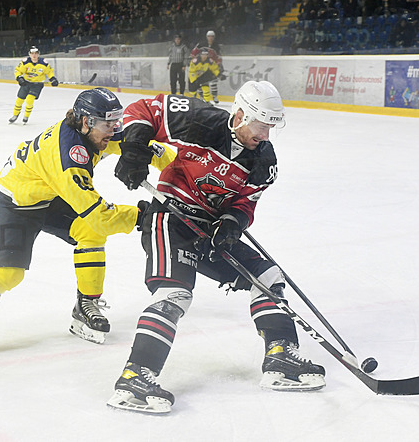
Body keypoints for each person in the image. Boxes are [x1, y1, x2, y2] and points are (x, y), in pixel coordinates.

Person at [107, 81, 325, 414]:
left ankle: (280, 357)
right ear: (239, 114)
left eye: (270, 126)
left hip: (209, 230)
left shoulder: (263, 160)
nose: (265, 134)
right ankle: (134, 378)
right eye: (259, 124)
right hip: (170, 218)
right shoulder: (200, 119)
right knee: (174, 295)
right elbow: (143, 111)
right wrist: (134, 151)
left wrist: (232, 223)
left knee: (267, 275)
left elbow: (245, 202)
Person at [0, 88, 176, 370]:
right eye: (109, 124)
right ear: (86, 122)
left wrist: (186, 171)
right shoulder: (68, 158)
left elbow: (139, 145)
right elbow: (101, 216)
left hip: (47, 194)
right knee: (7, 274)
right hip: (14, 204)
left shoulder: (91, 131)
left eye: (116, 122)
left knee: (89, 233)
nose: (114, 130)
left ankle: (85, 308)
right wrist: (142, 215)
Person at [8, 46, 59, 124]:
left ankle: (26, 116)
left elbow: (49, 72)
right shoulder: (25, 62)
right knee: (19, 100)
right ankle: (15, 115)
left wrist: (53, 79)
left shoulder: (43, 63)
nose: (34, 55)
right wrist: (19, 78)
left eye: (36, 53)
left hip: (37, 85)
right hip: (26, 83)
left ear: (38, 54)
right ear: (30, 54)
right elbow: (18, 70)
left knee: (29, 99)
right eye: (32, 54)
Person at [191, 30, 224, 104]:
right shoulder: (201, 44)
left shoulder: (216, 46)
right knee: (201, 81)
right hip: (202, 66)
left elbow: (219, 56)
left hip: (212, 66)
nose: (210, 38)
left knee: (213, 81)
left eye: (212, 36)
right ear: (207, 37)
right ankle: (201, 96)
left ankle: (214, 96)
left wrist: (219, 64)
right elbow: (194, 52)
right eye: (209, 36)